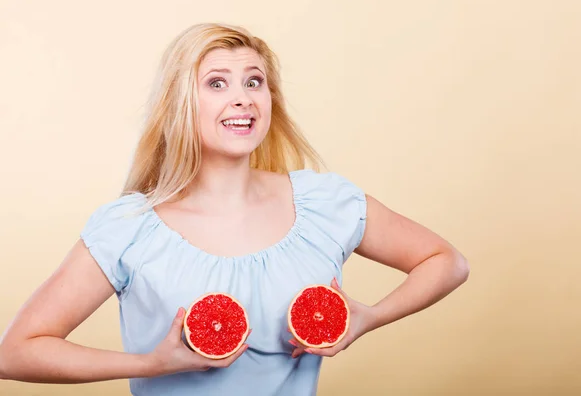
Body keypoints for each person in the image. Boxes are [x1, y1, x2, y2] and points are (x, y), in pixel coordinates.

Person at [0, 23, 470, 395]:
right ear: (180, 103)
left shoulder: (326, 205)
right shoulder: (130, 228)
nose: (242, 97)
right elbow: (16, 353)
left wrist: (367, 318)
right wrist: (154, 364)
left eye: (254, 81)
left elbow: (447, 262)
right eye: (217, 83)